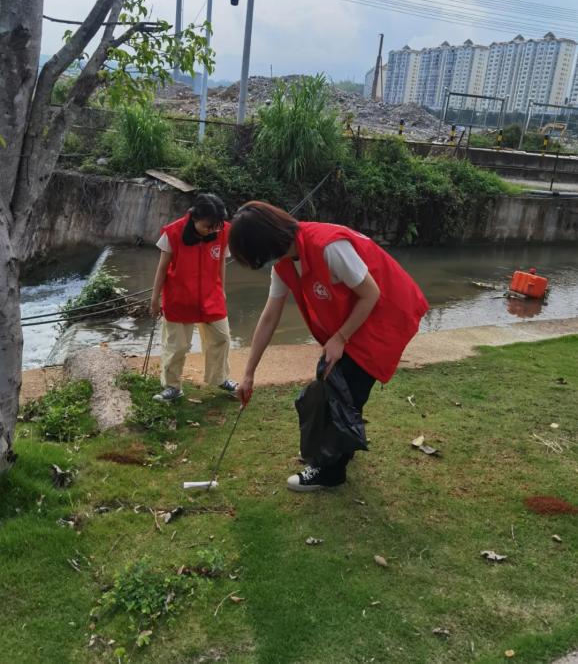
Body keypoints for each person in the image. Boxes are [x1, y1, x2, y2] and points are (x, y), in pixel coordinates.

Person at [228, 201, 429, 493]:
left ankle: (331, 470)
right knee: (334, 383)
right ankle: (339, 447)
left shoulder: (327, 246)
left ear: (268, 244)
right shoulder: (284, 264)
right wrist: (248, 373)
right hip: (356, 317)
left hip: (384, 312)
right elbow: (270, 316)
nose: (264, 265)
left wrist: (341, 338)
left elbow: (371, 293)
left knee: (342, 390)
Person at [150, 193, 238, 402]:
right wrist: (155, 299)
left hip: (211, 295)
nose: (214, 230)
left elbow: (221, 264)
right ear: (194, 217)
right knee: (177, 346)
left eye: (217, 225)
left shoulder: (223, 231)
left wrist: (222, 290)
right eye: (208, 226)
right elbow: (162, 269)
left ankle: (219, 378)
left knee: (222, 338)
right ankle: (172, 387)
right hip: (179, 297)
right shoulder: (172, 233)